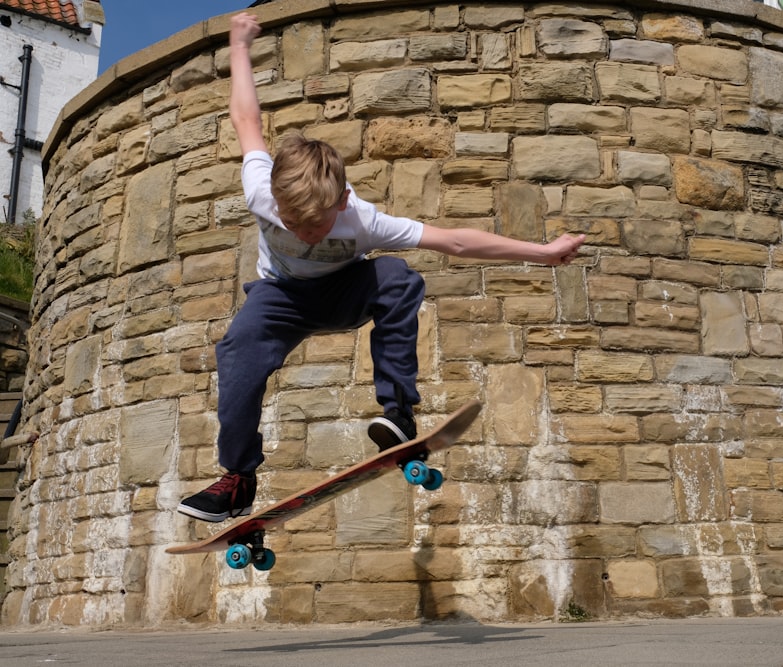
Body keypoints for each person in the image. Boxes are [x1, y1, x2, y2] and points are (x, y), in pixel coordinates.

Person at [178, 13, 586, 522]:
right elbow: (247, 120)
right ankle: (237, 478)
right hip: (278, 297)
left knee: (397, 276)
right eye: (292, 222)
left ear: (342, 199)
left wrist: (542, 252)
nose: (306, 232)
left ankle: (397, 414)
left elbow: (455, 242)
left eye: (319, 225)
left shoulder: (361, 220)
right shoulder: (262, 190)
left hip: (345, 291)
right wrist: (239, 43)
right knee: (236, 348)